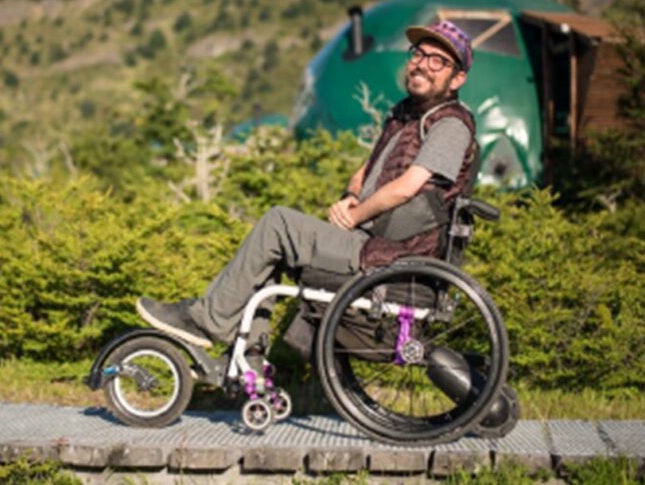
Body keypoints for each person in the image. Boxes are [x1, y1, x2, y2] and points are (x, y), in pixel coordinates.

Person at [137, 20, 478, 351]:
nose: (422, 65)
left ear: (457, 78)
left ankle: (206, 321)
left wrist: (357, 216)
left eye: (438, 61)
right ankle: (249, 358)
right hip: (371, 240)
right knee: (279, 243)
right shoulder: (406, 114)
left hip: (396, 255)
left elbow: (408, 186)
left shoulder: (450, 124)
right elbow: (369, 167)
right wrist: (351, 197)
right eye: (418, 54)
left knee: (279, 224)